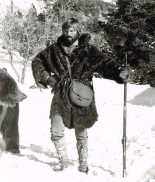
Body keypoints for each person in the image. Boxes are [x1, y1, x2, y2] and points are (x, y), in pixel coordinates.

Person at [31, 18, 131, 173]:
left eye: (71, 31)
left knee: (81, 130)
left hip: (82, 93)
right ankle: (63, 160)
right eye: (66, 31)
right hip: (61, 92)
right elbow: (38, 61)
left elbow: (105, 65)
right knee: (56, 128)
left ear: (77, 31)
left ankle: (83, 163)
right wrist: (47, 78)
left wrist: (119, 73)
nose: (68, 34)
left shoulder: (89, 51)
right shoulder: (54, 50)